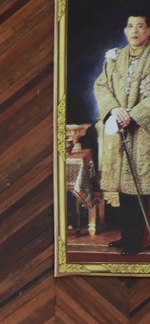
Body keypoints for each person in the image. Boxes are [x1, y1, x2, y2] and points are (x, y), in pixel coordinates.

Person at [94, 15, 150, 255]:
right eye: (130, 26)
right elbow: (101, 86)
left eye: (140, 26)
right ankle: (127, 237)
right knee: (124, 188)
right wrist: (115, 109)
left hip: (143, 132)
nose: (134, 30)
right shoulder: (115, 57)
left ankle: (137, 240)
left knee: (139, 186)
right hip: (119, 129)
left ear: (148, 30)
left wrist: (134, 115)